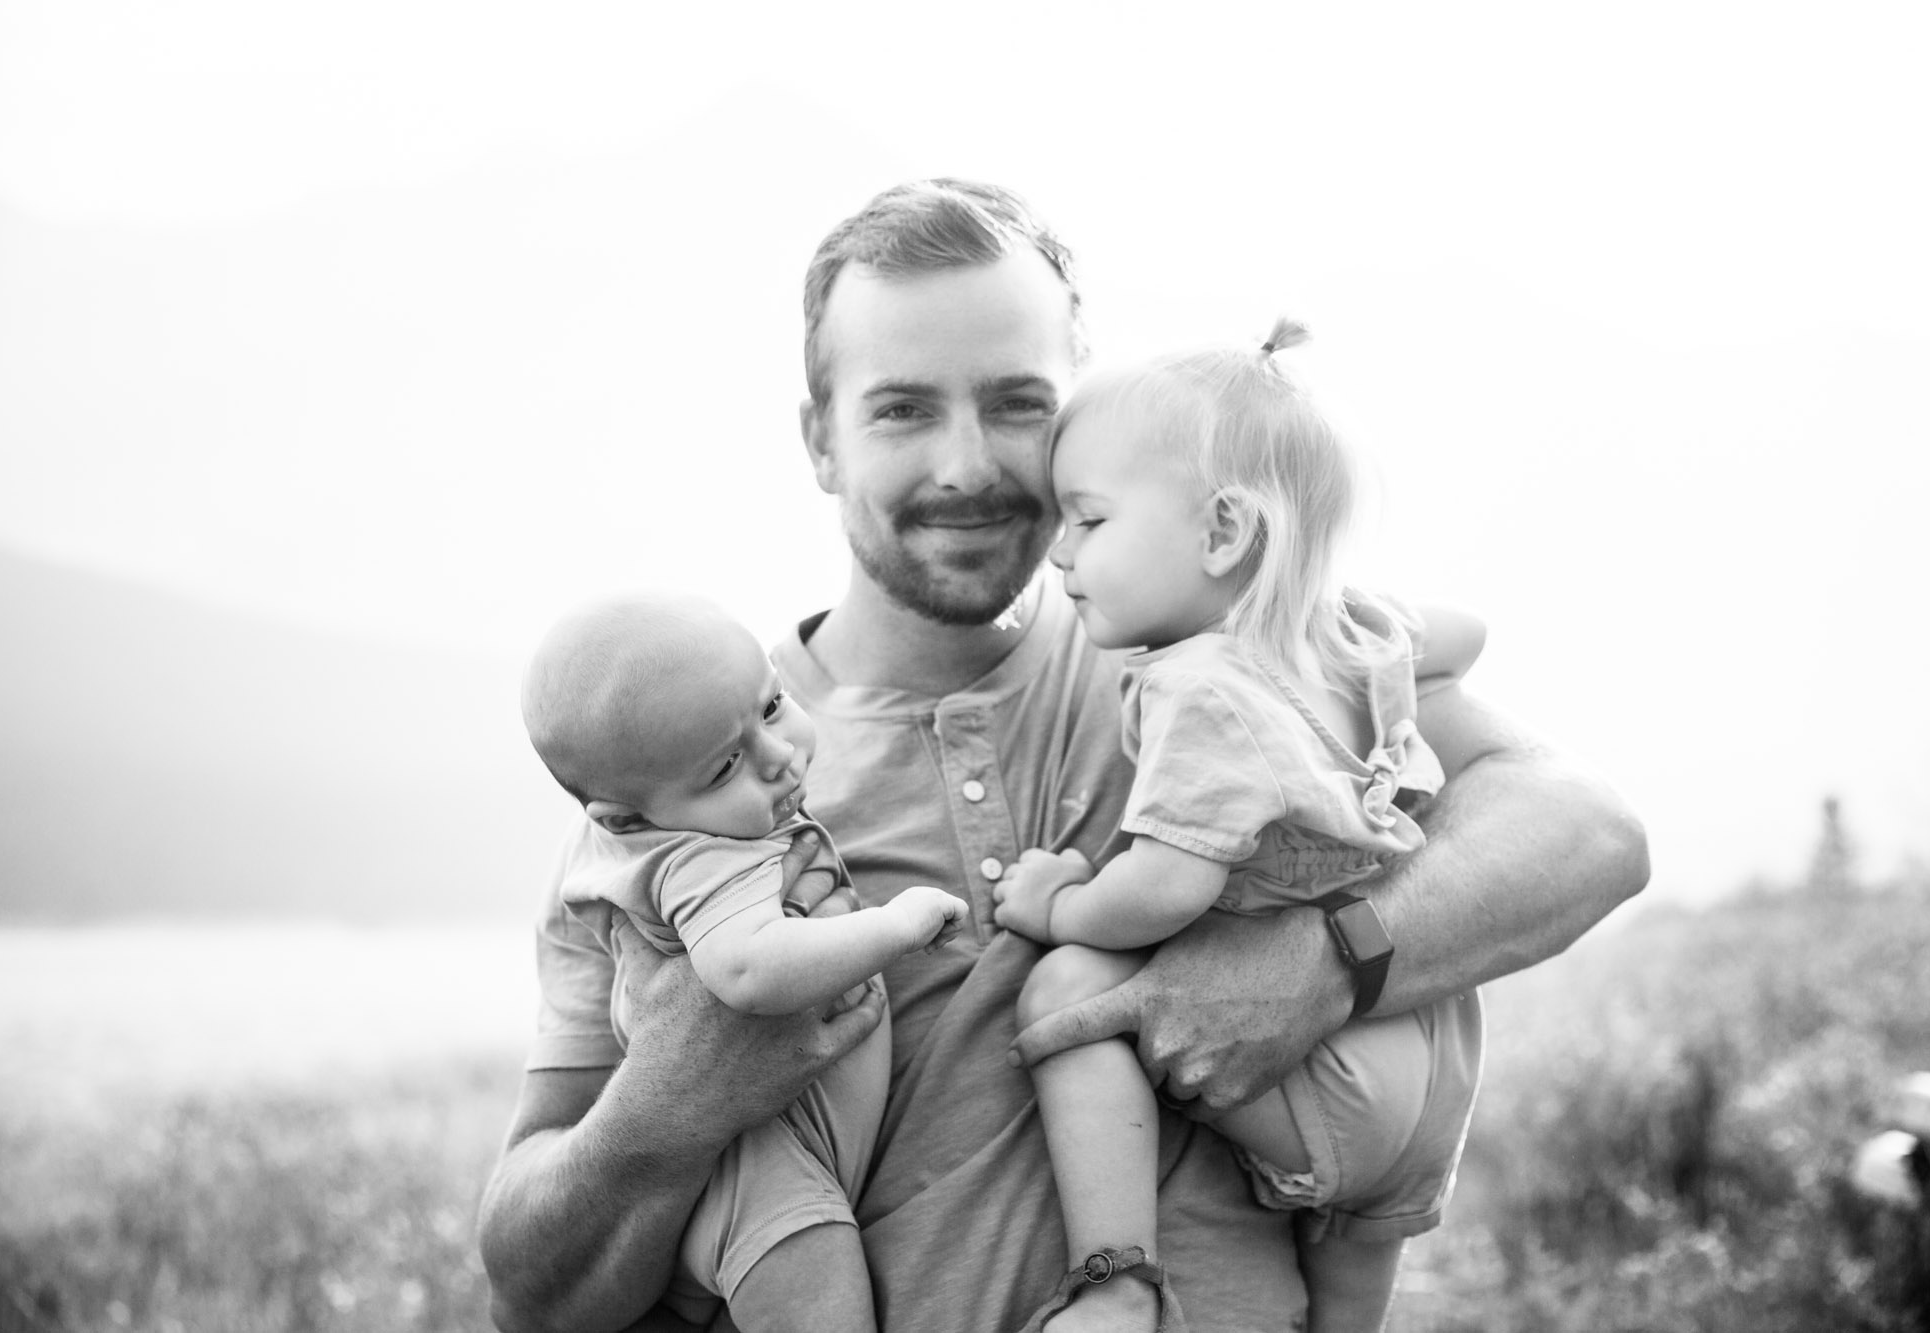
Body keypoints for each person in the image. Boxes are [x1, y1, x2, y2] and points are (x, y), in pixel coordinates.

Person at [477, 178, 1650, 1333]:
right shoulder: (686, 775)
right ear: (818, 441)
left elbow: (1581, 832)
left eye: (1016, 403)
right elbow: (532, 1288)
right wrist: (664, 1108)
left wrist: (1323, 959)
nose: (966, 464)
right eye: (900, 409)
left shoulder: (1222, 637)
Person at [991, 319, 1480, 1333]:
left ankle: (1116, 1281)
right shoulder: (1343, 629)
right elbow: (1468, 633)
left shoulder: (1200, 688)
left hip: (1326, 1083)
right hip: (1430, 1051)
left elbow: (1167, 888)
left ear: (1221, 532)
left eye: (1086, 522)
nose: (1058, 554)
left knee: (1067, 990)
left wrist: (1058, 901)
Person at [517, 593, 967, 1331]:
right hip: (761, 1172)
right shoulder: (699, 856)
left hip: (757, 1165)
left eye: (772, 706)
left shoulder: (673, 825)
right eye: (726, 766)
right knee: (818, 1272)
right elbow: (750, 969)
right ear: (625, 817)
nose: (780, 755)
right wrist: (896, 925)